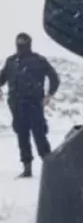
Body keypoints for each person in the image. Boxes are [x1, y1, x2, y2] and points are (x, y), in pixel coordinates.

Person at [0, 33, 60, 178]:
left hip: (34, 105)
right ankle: (27, 169)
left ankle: (50, 169)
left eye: (23, 41)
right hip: (16, 106)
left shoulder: (39, 60)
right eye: (18, 41)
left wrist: (49, 95)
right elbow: (1, 78)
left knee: (39, 135)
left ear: (29, 43)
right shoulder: (11, 61)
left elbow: (54, 78)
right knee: (22, 136)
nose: (20, 44)